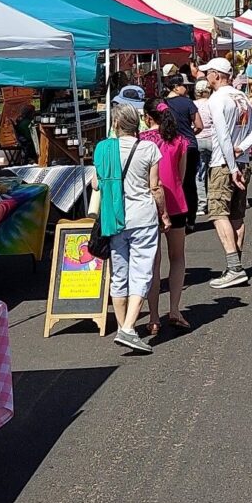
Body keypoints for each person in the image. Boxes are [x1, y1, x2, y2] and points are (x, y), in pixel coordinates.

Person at [93, 102, 170, 354]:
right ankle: (128, 329)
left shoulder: (104, 149)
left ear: (115, 124)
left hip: (114, 218)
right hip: (143, 217)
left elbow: (95, 183)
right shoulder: (148, 148)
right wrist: (164, 214)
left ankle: (123, 327)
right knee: (142, 272)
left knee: (119, 273)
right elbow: (155, 187)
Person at [203, 58, 252, 288]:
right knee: (237, 215)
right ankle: (235, 264)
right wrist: (243, 148)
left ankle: (234, 266)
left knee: (218, 212)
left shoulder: (217, 99)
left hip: (223, 163)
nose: (206, 76)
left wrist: (232, 164)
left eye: (209, 73)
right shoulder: (242, 96)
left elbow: (223, 135)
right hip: (242, 160)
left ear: (217, 75)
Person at [141, 99, 190, 335]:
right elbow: (181, 175)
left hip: (149, 204)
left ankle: (153, 316)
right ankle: (174, 309)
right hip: (176, 203)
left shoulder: (142, 141)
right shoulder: (179, 141)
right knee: (177, 257)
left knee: (153, 262)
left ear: (147, 117)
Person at [163, 74, 203, 233]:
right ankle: (190, 219)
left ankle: (175, 216)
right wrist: (190, 133)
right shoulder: (188, 102)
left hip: (171, 146)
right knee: (189, 183)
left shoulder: (163, 104)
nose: (187, 88)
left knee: (173, 181)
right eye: (184, 85)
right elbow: (199, 125)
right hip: (189, 145)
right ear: (176, 87)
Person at [193, 79, 214, 216]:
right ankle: (214, 201)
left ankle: (202, 204)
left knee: (199, 174)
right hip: (213, 139)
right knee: (214, 171)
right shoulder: (213, 103)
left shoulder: (193, 105)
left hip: (198, 139)